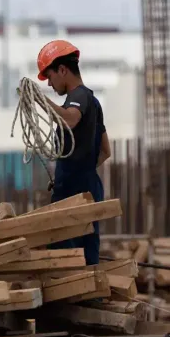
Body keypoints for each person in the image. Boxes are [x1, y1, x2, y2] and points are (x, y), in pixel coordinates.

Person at [36, 40, 111, 265]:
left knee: (64, 259)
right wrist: (80, 169)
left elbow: (70, 118)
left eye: (49, 76)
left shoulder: (78, 97)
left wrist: (39, 100)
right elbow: (106, 151)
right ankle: (91, 297)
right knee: (87, 255)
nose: (49, 84)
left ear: (62, 70)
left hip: (73, 193)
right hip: (88, 186)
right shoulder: (94, 102)